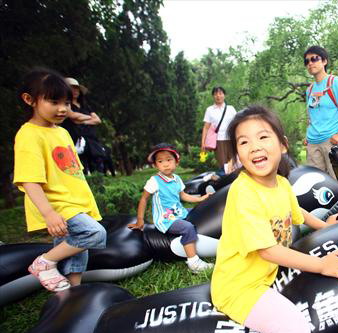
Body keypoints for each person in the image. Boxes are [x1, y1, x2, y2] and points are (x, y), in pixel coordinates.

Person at [202, 106, 338, 333]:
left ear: (282, 143)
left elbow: (296, 211)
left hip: (262, 278)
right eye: (244, 142)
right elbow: (268, 251)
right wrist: (322, 265)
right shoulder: (243, 194)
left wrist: (324, 227)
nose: (254, 147)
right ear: (237, 155)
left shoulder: (281, 184)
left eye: (263, 137)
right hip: (239, 287)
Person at [13, 68, 106, 292]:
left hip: (74, 202)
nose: (63, 108)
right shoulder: (29, 135)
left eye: (66, 102)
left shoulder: (62, 132)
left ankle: (71, 290)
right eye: (54, 101)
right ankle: (44, 263)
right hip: (56, 204)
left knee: (77, 250)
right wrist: (49, 213)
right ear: (29, 100)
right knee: (94, 233)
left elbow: (73, 171)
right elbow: (29, 180)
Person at [128, 143, 213, 273]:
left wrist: (200, 199)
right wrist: (140, 220)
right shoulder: (154, 181)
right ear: (156, 165)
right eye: (160, 161)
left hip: (178, 212)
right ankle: (193, 262)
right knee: (187, 227)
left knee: (197, 213)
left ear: (176, 162)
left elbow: (183, 196)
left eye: (169, 160)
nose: (166, 164)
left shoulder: (177, 179)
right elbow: (144, 199)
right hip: (165, 219)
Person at [304, 45, 338, 179]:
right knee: (319, 186)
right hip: (313, 144)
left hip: (332, 141)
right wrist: (308, 135)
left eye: (314, 59)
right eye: (307, 61)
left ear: (324, 61)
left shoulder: (335, 82)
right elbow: (312, 114)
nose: (310, 63)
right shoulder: (309, 90)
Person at [61, 77, 105, 175]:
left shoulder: (85, 106)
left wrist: (83, 121)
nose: (75, 91)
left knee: (97, 161)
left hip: (91, 138)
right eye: (72, 88)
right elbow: (72, 115)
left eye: (77, 88)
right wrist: (89, 118)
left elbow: (97, 120)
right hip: (75, 138)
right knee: (80, 164)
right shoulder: (65, 104)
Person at [201, 86, 237, 168]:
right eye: (215, 94)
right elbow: (206, 127)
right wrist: (203, 142)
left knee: (235, 162)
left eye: (220, 93)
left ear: (224, 95)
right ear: (213, 96)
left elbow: (237, 123)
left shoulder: (231, 109)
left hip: (231, 139)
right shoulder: (210, 110)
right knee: (222, 164)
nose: (218, 96)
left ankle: (235, 179)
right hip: (218, 141)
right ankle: (225, 180)